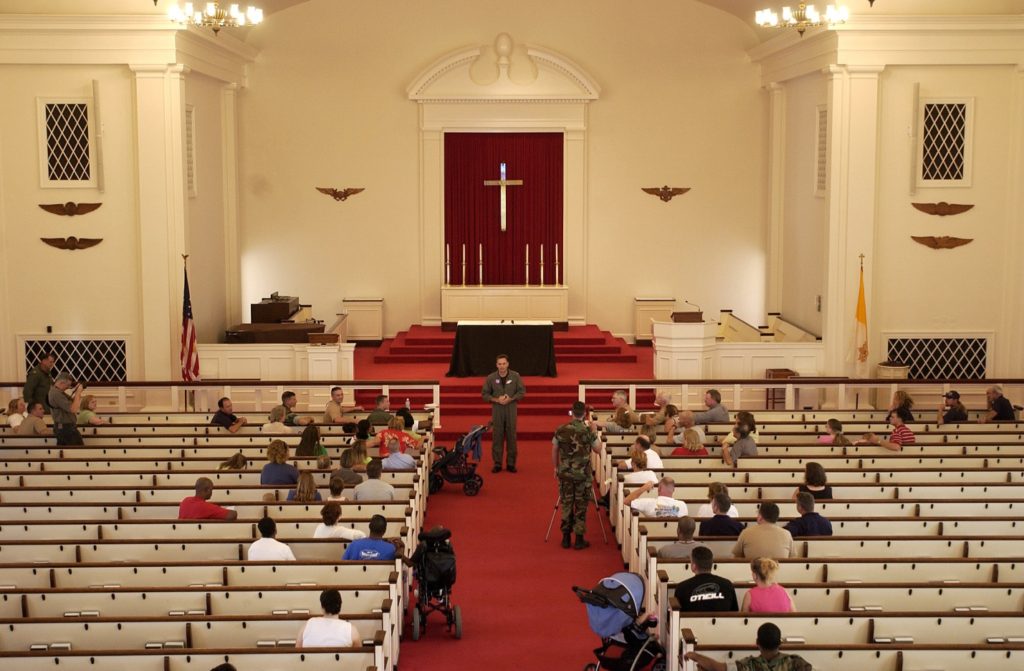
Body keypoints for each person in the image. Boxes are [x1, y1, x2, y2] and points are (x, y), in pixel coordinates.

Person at [552, 400, 601, 549]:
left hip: (566, 473)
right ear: (584, 414)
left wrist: (556, 467)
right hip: (582, 475)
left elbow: (554, 449)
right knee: (581, 505)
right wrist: (594, 432)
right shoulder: (587, 431)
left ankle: (565, 538)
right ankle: (579, 539)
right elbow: (598, 449)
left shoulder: (561, 429)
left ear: (572, 412)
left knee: (567, 503)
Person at [685, 622, 811, 671]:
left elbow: (718, 667)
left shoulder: (748, 665)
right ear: (780, 643)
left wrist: (695, 655)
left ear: (757, 643)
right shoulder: (795, 663)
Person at [483, 354, 525, 473]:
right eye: (499, 364)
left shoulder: (515, 376)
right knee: (497, 436)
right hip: (497, 410)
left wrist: (511, 398)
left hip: (511, 409)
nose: (502, 366)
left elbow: (522, 392)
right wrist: (496, 399)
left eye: (504, 363)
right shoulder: (491, 378)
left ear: (508, 364)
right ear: (496, 365)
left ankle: (511, 463)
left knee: (511, 436)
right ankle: (497, 463)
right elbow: (485, 394)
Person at [672, 546, 739, 612]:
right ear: (711, 564)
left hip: (691, 623)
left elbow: (677, 618)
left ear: (693, 566)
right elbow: (735, 615)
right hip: (724, 623)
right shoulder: (727, 585)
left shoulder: (682, 588)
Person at [295, 589, 361, 648]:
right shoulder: (351, 630)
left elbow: (297, 654)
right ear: (340, 606)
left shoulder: (308, 625)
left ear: (322, 607)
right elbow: (358, 657)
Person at [732, 502, 796, 559]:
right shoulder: (787, 534)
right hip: (779, 571)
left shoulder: (746, 533)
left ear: (760, 517)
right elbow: (792, 558)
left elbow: (737, 558)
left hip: (752, 571)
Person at [48, 373, 84, 446]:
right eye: (67, 385)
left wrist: (76, 391)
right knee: (77, 451)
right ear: (61, 383)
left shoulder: (58, 392)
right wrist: (78, 393)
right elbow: (73, 409)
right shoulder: (56, 394)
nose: (68, 387)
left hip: (66, 427)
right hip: (65, 428)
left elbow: (74, 402)